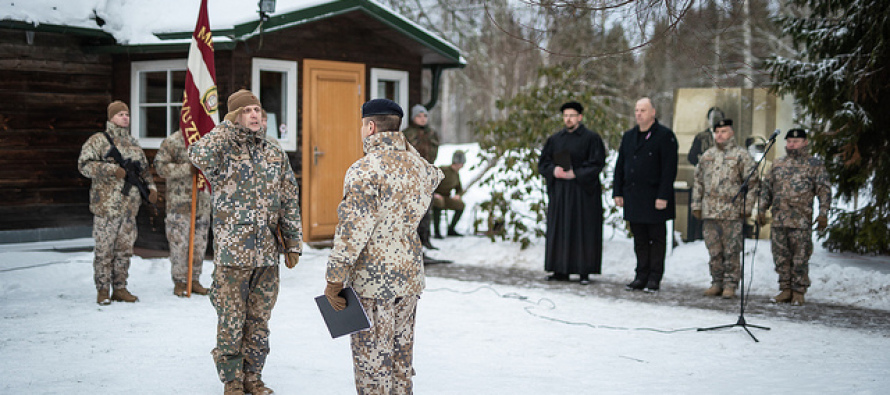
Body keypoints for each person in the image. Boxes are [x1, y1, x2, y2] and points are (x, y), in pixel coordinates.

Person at [324, 98, 443, 394]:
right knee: (401, 359)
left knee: (371, 362)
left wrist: (334, 279)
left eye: (364, 126)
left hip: (372, 282)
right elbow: (435, 175)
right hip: (409, 277)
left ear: (371, 127)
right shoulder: (420, 167)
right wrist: (404, 145)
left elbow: (352, 231)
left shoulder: (364, 170)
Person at [188, 89, 303, 395]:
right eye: (247, 110)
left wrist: (293, 242)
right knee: (231, 319)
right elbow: (196, 155)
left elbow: (289, 199)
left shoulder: (274, 153)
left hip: (266, 254)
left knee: (259, 320)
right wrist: (226, 128)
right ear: (234, 116)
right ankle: (232, 380)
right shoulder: (222, 150)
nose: (255, 115)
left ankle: (253, 376)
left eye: (257, 109)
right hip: (232, 255)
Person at [78, 101, 157, 305]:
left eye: (127, 114)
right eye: (120, 114)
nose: (125, 118)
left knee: (124, 249)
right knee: (104, 250)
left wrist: (152, 189)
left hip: (129, 208)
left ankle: (120, 288)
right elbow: (84, 165)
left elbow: (144, 172)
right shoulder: (98, 141)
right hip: (106, 207)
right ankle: (103, 290)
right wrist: (111, 170)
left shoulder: (133, 143)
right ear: (111, 117)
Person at [613, 97, 678, 292]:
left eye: (643, 110)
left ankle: (654, 277)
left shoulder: (665, 136)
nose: (638, 114)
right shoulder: (629, 136)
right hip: (633, 196)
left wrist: (663, 195)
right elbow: (620, 166)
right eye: (636, 110)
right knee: (639, 238)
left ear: (653, 112)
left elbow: (669, 169)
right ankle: (640, 275)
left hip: (655, 197)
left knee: (656, 238)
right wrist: (618, 191)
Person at [538, 101, 607, 285]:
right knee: (560, 228)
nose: (568, 119)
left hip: (583, 193)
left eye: (572, 115)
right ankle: (560, 269)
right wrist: (554, 171)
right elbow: (543, 163)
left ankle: (584, 270)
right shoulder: (555, 139)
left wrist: (576, 173)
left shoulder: (591, 138)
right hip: (560, 193)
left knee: (582, 229)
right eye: (565, 116)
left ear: (580, 117)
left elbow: (597, 163)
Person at [759, 128, 830, 306]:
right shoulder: (778, 164)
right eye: (789, 141)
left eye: (796, 142)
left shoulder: (814, 165)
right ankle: (785, 289)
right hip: (779, 219)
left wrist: (823, 214)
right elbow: (767, 188)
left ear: (805, 142)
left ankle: (798, 291)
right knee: (780, 256)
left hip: (800, 220)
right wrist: (761, 209)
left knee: (800, 257)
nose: (791, 145)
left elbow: (824, 190)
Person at [691, 119, 758, 299]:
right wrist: (696, 205)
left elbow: (752, 183)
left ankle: (730, 284)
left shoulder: (741, 156)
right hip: (710, 212)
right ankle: (716, 282)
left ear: (732, 133)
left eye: (724, 131)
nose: (720, 135)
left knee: (732, 250)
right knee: (714, 250)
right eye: (717, 132)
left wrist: (748, 206)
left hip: (732, 212)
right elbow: (697, 181)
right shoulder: (707, 156)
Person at [154, 130, 211, 297]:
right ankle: (180, 281)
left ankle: (194, 279)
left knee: (199, 244)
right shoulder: (172, 141)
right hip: (179, 204)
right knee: (179, 245)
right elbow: (160, 167)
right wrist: (187, 168)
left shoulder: (208, 140)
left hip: (202, 203)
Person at [401, 104, 440, 250]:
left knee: (427, 208)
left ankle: (426, 239)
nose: (422, 119)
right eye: (419, 116)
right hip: (412, 175)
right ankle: (413, 241)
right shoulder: (407, 133)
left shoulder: (432, 133)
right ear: (413, 117)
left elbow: (435, 150)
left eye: (425, 116)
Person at [432, 150, 467, 238]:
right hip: (435, 197)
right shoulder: (444, 170)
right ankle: (437, 232)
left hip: (446, 198)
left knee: (460, 205)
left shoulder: (456, 174)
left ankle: (451, 229)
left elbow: (459, 189)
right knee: (439, 203)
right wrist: (434, 193)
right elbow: (430, 182)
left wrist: (458, 195)